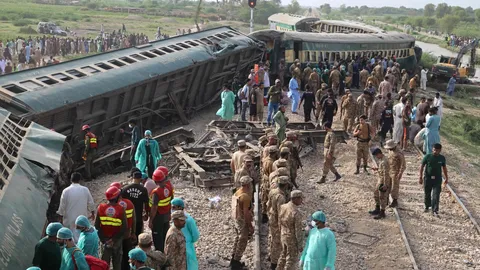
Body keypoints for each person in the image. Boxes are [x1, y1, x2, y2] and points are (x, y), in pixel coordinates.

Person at [95, 186, 128, 270]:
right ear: (116, 197)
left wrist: (104, 240)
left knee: (104, 264)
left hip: (105, 241)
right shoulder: (121, 209)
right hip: (116, 241)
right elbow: (124, 227)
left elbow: (97, 226)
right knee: (117, 264)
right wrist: (113, 239)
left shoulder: (100, 208)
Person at [57, 172, 95, 243]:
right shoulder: (85, 189)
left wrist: (60, 218)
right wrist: (92, 213)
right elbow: (91, 203)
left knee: (70, 238)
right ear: (80, 180)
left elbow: (62, 206)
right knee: (81, 237)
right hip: (81, 218)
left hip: (69, 219)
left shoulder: (66, 191)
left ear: (71, 180)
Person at [419, 143, 448, 217]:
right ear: (432, 149)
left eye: (437, 150)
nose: (435, 152)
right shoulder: (427, 156)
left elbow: (444, 168)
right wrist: (420, 177)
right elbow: (422, 166)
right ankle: (427, 206)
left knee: (436, 194)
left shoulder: (442, 158)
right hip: (428, 178)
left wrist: (446, 178)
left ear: (440, 150)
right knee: (427, 193)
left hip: (437, 179)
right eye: (434, 150)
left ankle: (435, 209)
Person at [148, 168, 174, 252]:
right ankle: (166, 252)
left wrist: (151, 220)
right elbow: (171, 201)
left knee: (158, 237)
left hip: (158, 217)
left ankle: (160, 254)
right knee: (165, 234)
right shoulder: (169, 188)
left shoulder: (156, 192)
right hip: (166, 215)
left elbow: (154, 208)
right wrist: (170, 213)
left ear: (155, 181)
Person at [266, 176, 289, 270]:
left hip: (271, 217)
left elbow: (268, 204)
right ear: (286, 185)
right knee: (277, 242)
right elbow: (280, 213)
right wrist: (282, 226)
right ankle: (274, 263)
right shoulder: (281, 197)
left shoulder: (273, 191)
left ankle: (270, 255)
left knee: (272, 237)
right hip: (276, 220)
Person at [277, 190, 304, 270]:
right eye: (300, 198)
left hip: (283, 234)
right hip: (291, 238)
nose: (301, 200)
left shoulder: (283, 206)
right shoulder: (296, 212)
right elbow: (298, 230)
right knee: (290, 260)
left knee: (283, 255)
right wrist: (300, 245)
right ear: (295, 199)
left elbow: (279, 221)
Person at [231, 176, 253, 268]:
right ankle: (236, 263)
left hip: (236, 219)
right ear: (248, 184)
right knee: (242, 240)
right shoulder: (245, 196)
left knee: (237, 238)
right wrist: (250, 225)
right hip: (242, 221)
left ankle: (233, 258)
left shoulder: (237, 192)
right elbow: (246, 213)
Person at [171, 198, 199, 270]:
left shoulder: (188, 220)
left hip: (187, 247)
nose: (172, 209)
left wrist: (188, 242)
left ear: (180, 207)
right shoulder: (174, 218)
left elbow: (195, 235)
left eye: (174, 207)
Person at [122, 171, 150, 239]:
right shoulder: (143, 189)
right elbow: (146, 203)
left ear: (132, 178)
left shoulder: (125, 189)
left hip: (126, 217)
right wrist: (146, 213)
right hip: (138, 217)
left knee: (126, 237)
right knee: (137, 236)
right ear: (141, 178)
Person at [369, 148, 391, 219]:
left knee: (382, 197)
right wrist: (377, 169)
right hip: (380, 179)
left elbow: (386, 174)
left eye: (376, 156)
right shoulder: (381, 159)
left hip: (383, 180)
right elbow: (382, 170)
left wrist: (385, 184)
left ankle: (382, 212)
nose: (376, 157)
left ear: (379, 154)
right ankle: (377, 209)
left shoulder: (384, 161)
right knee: (376, 194)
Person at [385, 139, 406, 208]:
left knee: (395, 187)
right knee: (387, 185)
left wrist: (400, 173)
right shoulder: (390, 151)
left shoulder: (399, 153)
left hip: (395, 172)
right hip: (389, 171)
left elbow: (403, 165)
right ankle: (386, 199)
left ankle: (394, 201)